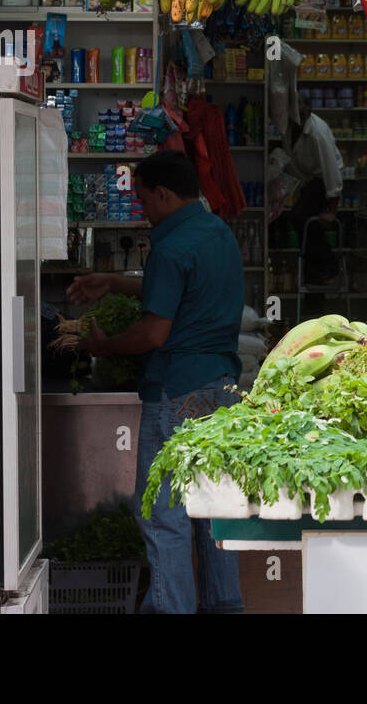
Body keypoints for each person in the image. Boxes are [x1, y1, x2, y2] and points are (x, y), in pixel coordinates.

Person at [68, 150, 244, 614]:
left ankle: (172, 609)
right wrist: (115, 281)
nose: (144, 211)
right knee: (214, 510)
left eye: (145, 200)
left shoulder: (169, 247)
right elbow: (183, 289)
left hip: (177, 392)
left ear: (163, 194)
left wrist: (101, 345)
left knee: (165, 516)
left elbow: (152, 333)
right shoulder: (218, 233)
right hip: (221, 389)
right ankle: (225, 606)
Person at [285, 96, 344, 284]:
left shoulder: (318, 133)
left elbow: (331, 171)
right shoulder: (289, 127)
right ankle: (315, 280)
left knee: (298, 217)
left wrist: (332, 211)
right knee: (303, 224)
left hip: (323, 180)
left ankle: (330, 265)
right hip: (308, 180)